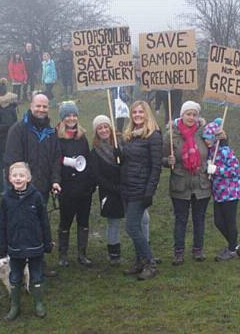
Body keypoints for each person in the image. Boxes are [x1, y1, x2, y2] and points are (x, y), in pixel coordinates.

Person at [5, 93, 62, 277]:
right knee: (20, 227)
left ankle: (37, 264)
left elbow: (55, 159)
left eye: (45, 106)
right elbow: (13, 161)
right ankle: (18, 265)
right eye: (38, 106)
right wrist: (20, 184)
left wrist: (55, 180)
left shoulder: (51, 133)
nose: (41, 110)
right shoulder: (18, 129)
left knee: (39, 226)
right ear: (31, 106)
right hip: (21, 190)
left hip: (43, 190)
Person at [0, 162, 53, 320]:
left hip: (35, 245)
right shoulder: (5, 199)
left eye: (21, 175)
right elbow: (1, 225)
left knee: (36, 275)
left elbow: (44, 222)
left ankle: (38, 304)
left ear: (28, 178)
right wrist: (2, 247)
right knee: (14, 276)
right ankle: (15, 306)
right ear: (9, 178)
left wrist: (47, 243)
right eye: (14, 175)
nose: (18, 178)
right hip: (15, 246)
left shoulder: (36, 197)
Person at [118, 101, 162, 280]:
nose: (137, 115)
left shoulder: (153, 136)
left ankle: (150, 262)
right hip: (127, 187)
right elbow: (127, 160)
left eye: (140, 112)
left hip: (140, 188)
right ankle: (139, 261)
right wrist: (119, 154)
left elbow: (156, 166)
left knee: (132, 227)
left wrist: (149, 191)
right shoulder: (130, 136)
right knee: (133, 225)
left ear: (147, 114)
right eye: (134, 112)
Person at [163, 101, 211, 265]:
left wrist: (224, 137)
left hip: (201, 183)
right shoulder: (171, 135)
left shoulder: (205, 133)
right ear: (182, 115)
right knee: (180, 219)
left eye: (194, 114)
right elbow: (160, 158)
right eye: (188, 114)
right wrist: (167, 160)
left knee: (199, 218)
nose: (191, 117)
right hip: (180, 183)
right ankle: (178, 252)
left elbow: (218, 148)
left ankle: (198, 249)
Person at [54, 101, 95, 267]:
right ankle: (63, 255)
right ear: (63, 119)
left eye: (74, 115)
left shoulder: (82, 137)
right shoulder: (57, 137)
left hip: (84, 187)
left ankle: (82, 254)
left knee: (83, 221)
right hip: (67, 187)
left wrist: (91, 183)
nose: (71, 118)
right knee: (66, 220)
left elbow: (88, 159)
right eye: (68, 116)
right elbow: (54, 160)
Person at [202, 119, 240, 261]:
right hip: (219, 193)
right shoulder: (211, 151)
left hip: (230, 192)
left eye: (208, 138)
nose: (206, 141)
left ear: (215, 138)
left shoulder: (225, 151)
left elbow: (235, 170)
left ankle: (232, 250)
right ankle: (235, 245)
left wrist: (217, 170)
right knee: (218, 222)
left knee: (229, 221)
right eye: (205, 138)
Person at [90, 115, 124, 265]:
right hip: (109, 191)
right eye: (100, 128)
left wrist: (121, 156)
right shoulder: (95, 151)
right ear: (96, 131)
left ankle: (143, 249)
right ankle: (114, 253)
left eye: (105, 127)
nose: (103, 130)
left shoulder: (120, 142)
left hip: (127, 188)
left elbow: (128, 164)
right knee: (114, 222)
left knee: (141, 219)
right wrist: (113, 188)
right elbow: (97, 176)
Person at [0, 80, 18, 193]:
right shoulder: (0, 106)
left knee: (6, 166)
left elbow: (9, 125)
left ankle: (6, 188)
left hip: (4, 141)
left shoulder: (6, 109)